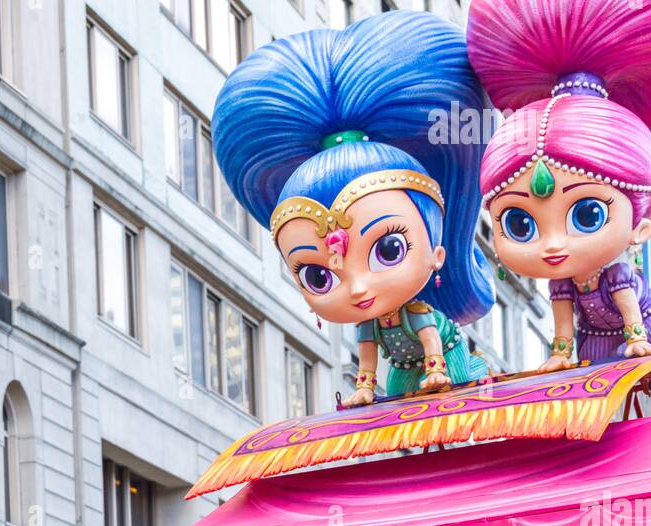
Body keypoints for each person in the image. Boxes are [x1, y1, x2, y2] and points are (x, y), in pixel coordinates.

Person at [212, 16, 493, 408]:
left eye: (389, 249)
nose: (359, 288)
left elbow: (432, 341)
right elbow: (367, 360)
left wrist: (436, 369)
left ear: (437, 254)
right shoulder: (369, 324)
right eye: (319, 275)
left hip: (446, 363)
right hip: (401, 375)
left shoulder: (419, 311)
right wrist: (364, 386)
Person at [467, 0, 651, 368]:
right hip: (592, 342)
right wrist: (560, 354)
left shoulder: (617, 273)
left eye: (588, 214)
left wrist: (637, 340)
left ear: (640, 228)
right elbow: (564, 326)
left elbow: (632, 319)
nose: (552, 245)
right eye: (520, 224)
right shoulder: (561, 284)